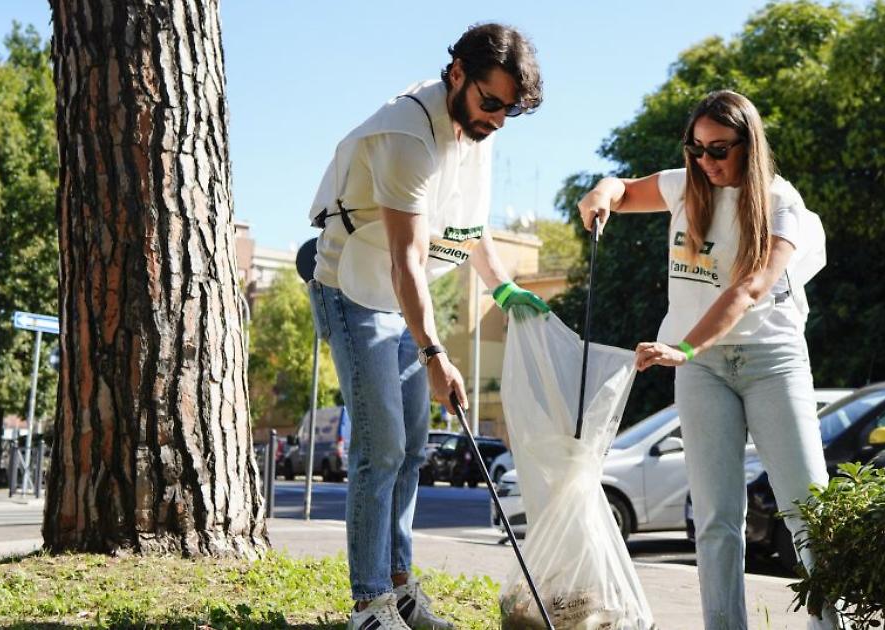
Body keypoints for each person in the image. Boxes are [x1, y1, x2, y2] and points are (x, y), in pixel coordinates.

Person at [305, 23, 550, 630]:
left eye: (510, 110)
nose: (497, 120)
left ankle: (400, 587)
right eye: (490, 102)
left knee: (414, 447)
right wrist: (436, 354)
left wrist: (504, 288)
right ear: (457, 73)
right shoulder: (407, 133)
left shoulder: (476, 129)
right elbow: (405, 259)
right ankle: (370, 606)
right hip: (353, 289)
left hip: (399, 299)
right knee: (381, 447)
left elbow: (469, 223)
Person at [577, 90, 842, 629]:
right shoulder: (684, 186)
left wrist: (684, 346)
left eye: (719, 149)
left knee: (808, 510)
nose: (706, 161)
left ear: (749, 144)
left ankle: (827, 625)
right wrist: (602, 192)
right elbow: (623, 190)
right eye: (695, 149)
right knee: (716, 519)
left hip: (771, 359)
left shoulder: (781, 203)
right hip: (701, 370)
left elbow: (752, 287)